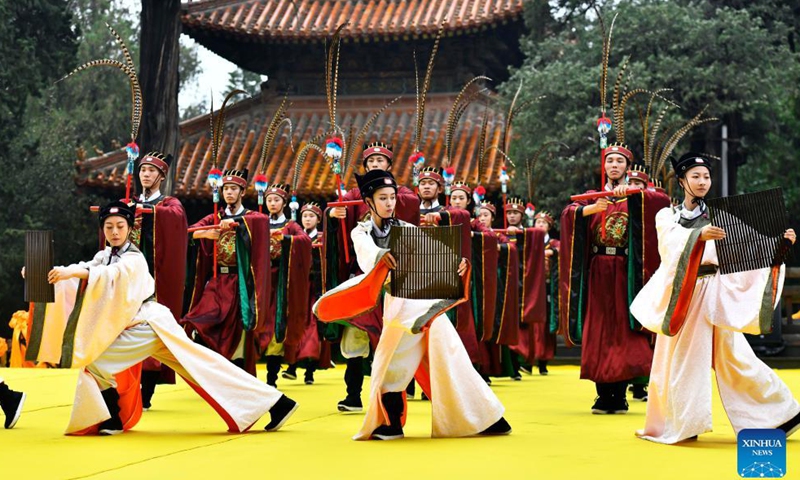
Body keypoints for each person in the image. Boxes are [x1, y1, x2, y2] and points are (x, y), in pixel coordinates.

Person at [26, 201, 298, 435]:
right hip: (145, 325)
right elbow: (86, 268)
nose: (115, 232)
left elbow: (108, 276)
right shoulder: (104, 255)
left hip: (149, 324)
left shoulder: (134, 257)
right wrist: (47, 272)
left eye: (120, 226)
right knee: (205, 366)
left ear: (130, 228)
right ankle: (277, 403)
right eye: (109, 227)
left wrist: (74, 274)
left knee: (97, 361)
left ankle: (112, 417)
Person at [314, 169, 511, 440]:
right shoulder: (361, 232)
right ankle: (391, 422)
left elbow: (432, 252)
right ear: (369, 201)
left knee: (451, 355)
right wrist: (382, 256)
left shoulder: (406, 229)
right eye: (383, 198)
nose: (389, 203)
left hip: (424, 301)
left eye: (392, 197)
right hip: (397, 304)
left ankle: (487, 418)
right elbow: (366, 256)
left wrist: (456, 264)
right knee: (390, 361)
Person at [631, 152, 800, 443]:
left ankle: (778, 416)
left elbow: (748, 247)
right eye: (695, 176)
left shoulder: (721, 216)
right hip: (684, 294)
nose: (702, 182)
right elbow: (669, 249)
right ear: (682, 180)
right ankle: (682, 424)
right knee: (681, 358)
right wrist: (698, 236)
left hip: (715, 292)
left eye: (706, 176)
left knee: (736, 356)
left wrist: (779, 245)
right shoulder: (668, 216)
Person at [559, 144, 669, 414]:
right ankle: (601, 394)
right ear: (604, 166)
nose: (615, 166)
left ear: (627, 168)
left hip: (624, 270)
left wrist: (635, 195)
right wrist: (592, 209)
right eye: (610, 161)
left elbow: (661, 202)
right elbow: (567, 214)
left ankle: (619, 394)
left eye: (620, 161)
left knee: (621, 329)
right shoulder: (591, 197)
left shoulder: (638, 197)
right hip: (598, 270)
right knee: (598, 329)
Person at [325, 142, 420, 413]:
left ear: (389, 166)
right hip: (364, 277)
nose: (376, 164)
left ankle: (395, 393)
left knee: (397, 335)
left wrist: (387, 196)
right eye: (371, 161)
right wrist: (334, 215)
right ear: (365, 166)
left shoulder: (400, 194)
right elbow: (340, 226)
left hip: (395, 280)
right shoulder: (353, 194)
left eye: (381, 160)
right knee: (356, 333)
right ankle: (353, 394)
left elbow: (410, 205)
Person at [181, 169, 272, 376]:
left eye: (233, 189)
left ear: (242, 192)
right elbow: (190, 231)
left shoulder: (251, 217)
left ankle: (237, 378)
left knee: (236, 333)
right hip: (217, 281)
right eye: (226, 189)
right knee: (199, 320)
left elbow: (261, 223)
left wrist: (237, 224)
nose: (229, 193)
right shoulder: (215, 216)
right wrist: (206, 232)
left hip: (239, 282)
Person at [131, 151, 188, 410]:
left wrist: (150, 212)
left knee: (151, 329)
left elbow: (176, 220)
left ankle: (148, 389)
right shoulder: (129, 202)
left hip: (155, 276)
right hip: (129, 277)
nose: (146, 174)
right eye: (142, 170)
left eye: (151, 171)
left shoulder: (169, 204)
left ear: (161, 176)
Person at [261, 183, 312, 388]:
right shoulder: (259, 222)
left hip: (281, 279)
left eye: (276, 200)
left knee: (277, 325)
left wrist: (286, 240)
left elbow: (305, 240)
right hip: (261, 279)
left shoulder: (291, 225)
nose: (272, 204)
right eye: (269, 200)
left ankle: (271, 378)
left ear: (283, 203)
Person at [282, 202, 331, 385]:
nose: (308, 219)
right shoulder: (295, 238)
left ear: (318, 219)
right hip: (299, 288)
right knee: (295, 323)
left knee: (312, 327)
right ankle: (292, 365)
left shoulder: (322, 238)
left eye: (311, 216)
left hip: (316, 289)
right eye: (305, 216)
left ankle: (309, 370)